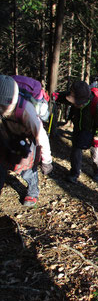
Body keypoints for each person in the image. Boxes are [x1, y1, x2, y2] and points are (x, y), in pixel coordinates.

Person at [0, 75, 53, 207]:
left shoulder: (26, 110)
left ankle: (33, 191)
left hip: (27, 140)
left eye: (4, 106)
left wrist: (47, 161)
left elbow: (41, 135)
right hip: (6, 136)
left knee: (28, 169)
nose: (2, 110)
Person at [54, 81, 98, 183]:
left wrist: (97, 137)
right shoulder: (76, 97)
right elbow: (65, 97)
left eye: (75, 102)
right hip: (79, 129)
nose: (73, 103)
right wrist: (56, 96)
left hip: (94, 132)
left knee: (96, 155)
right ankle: (74, 173)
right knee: (75, 152)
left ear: (83, 99)